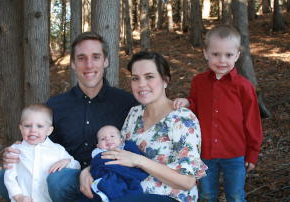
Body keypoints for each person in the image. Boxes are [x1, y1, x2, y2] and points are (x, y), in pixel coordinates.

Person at [0, 32, 139, 202]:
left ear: (106, 61)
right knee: (3, 177)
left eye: (96, 57)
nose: (89, 64)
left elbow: (155, 117)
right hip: (67, 173)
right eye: (81, 58)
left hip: (107, 175)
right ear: (72, 63)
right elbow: (38, 144)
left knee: (58, 182)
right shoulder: (56, 105)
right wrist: (14, 154)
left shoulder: (127, 102)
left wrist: (177, 104)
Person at [80, 51, 208, 202]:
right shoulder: (135, 114)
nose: (141, 84)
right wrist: (85, 172)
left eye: (149, 77)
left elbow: (187, 182)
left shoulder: (182, 118)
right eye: (135, 78)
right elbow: (117, 153)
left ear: (165, 80)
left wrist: (138, 160)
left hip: (168, 196)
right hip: (129, 191)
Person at [173, 24, 263, 201]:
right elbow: (195, 104)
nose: (222, 61)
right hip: (206, 153)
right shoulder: (199, 81)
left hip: (235, 153)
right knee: (206, 195)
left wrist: (253, 152)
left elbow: (252, 121)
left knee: (236, 196)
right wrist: (187, 102)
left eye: (228, 55)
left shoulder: (244, 86)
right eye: (216, 54)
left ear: (237, 56)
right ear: (206, 53)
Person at [4, 103, 80, 202]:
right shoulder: (16, 150)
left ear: (49, 130)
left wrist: (67, 161)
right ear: (21, 128)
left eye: (39, 126)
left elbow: (76, 167)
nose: (33, 130)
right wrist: (18, 197)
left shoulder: (57, 150)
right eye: (27, 126)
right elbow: (9, 177)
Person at [80, 125, 148, 202]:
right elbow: (96, 165)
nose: (108, 139)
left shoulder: (127, 148)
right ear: (98, 146)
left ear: (122, 140)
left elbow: (137, 159)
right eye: (103, 138)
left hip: (122, 176)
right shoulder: (98, 153)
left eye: (112, 136)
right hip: (101, 176)